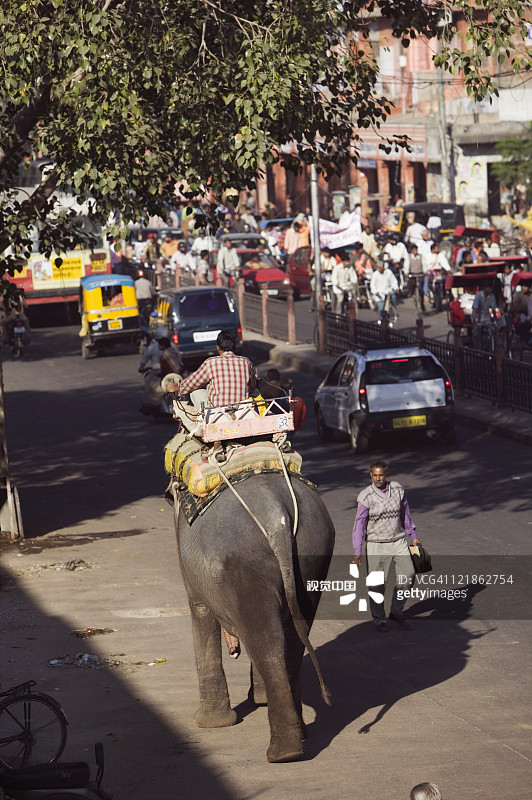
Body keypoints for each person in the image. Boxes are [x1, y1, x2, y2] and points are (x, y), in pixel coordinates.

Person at [352, 460, 421, 632]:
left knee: (409, 575)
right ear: (370, 475)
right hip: (376, 544)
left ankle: (396, 611)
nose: (378, 478)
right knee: (377, 584)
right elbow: (359, 524)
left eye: (381, 475)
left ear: (386, 474)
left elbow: (406, 514)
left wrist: (413, 535)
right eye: (375, 475)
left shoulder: (397, 489)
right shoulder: (365, 496)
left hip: (398, 541)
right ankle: (379, 619)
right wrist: (357, 550)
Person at [165, 330, 255, 437]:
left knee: (195, 392)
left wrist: (177, 387)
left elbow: (192, 383)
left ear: (218, 347)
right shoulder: (246, 362)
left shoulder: (211, 363)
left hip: (217, 413)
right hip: (242, 410)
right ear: (234, 346)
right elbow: (252, 385)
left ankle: (201, 421)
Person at [139, 336, 183, 416]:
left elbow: (167, 369)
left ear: (162, 345)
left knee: (151, 386)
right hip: (176, 375)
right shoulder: (173, 350)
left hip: (168, 377)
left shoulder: (164, 355)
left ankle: (152, 406)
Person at [471, 283, 500, 349]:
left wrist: (496, 319)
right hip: (478, 316)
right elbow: (475, 309)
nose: (490, 290)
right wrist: (474, 320)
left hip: (487, 317)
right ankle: (477, 349)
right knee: (477, 332)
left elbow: (494, 309)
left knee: (492, 331)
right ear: (484, 288)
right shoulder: (478, 295)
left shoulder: (492, 296)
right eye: (489, 288)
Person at [370, 258, 398, 322]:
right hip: (380, 294)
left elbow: (393, 281)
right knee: (381, 308)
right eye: (378, 267)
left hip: (388, 291)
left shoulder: (388, 272)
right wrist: (375, 292)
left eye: (380, 266)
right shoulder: (375, 274)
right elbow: (372, 285)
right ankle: (381, 320)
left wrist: (396, 288)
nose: (379, 268)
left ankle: (394, 308)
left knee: (393, 296)